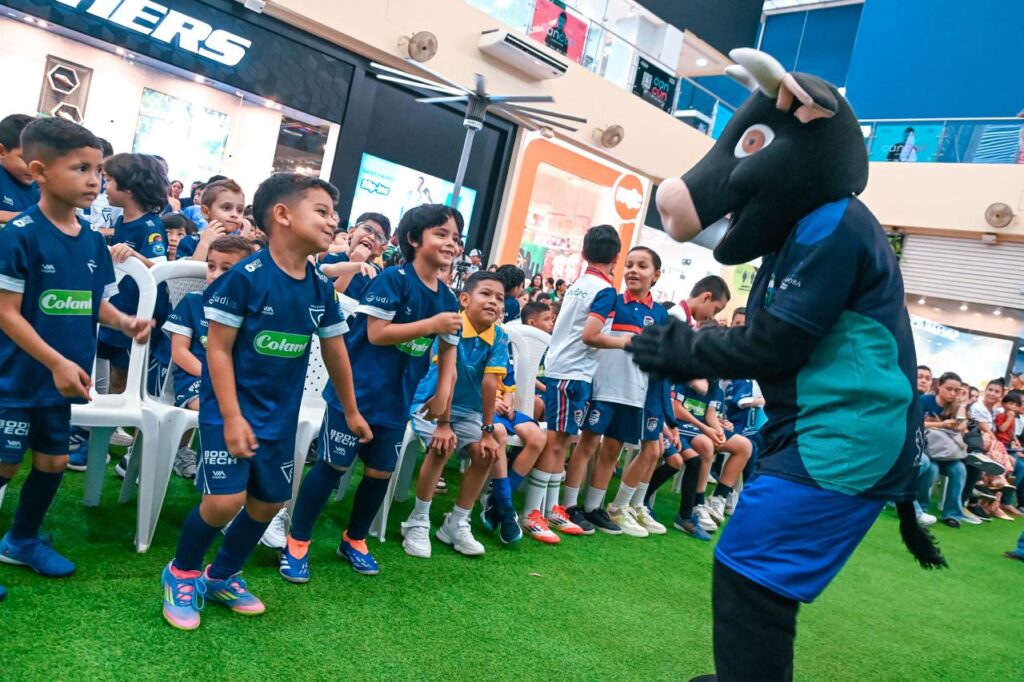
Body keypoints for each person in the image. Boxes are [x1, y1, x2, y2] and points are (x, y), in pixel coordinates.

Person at [160, 173, 369, 630]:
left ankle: (222, 575)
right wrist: (231, 417)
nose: (334, 221)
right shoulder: (244, 279)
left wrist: (351, 410)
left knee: (269, 503)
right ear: (283, 214)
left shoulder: (319, 287)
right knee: (223, 502)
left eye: (334, 214)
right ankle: (182, 573)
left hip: (279, 417)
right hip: (229, 411)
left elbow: (336, 351)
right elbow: (216, 350)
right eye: (322, 211)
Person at [0, 118, 150, 594]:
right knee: (4, 466)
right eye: (81, 168)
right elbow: (6, 313)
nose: (94, 180)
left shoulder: (92, 241)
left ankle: (21, 540)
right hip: (15, 380)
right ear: (40, 172)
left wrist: (123, 321)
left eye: (99, 170)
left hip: (62, 382)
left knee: (53, 462)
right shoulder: (18, 234)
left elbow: (92, 302)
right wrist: (56, 362)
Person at [282, 204, 462, 579]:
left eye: (456, 238)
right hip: (355, 394)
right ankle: (297, 541)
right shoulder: (393, 279)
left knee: (380, 473)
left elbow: (449, 351)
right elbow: (377, 334)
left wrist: (444, 394)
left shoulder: (447, 298)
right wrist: (431, 324)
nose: (451, 243)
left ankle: (355, 539)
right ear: (414, 239)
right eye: (441, 234)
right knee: (332, 467)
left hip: (396, 402)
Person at [401, 271, 510, 558]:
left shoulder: (500, 337)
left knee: (486, 453)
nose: (494, 302)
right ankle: (417, 520)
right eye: (485, 294)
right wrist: (444, 424)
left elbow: (490, 384)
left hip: (469, 412)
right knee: (443, 445)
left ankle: (456, 522)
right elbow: (447, 377)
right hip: (432, 402)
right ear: (464, 299)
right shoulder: (451, 326)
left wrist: (487, 431)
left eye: (500, 298)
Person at [527, 225, 625, 538]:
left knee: (564, 441)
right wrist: (626, 342)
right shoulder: (604, 290)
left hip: (567, 369)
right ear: (617, 257)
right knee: (557, 442)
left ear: (583, 253)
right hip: (573, 372)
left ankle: (551, 508)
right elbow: (590, 335)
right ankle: (532, 512)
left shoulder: (579, 284)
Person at [562, 246, 666, 536]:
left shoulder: (660, 314)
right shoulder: (612, 301)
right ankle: (570, 505)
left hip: (634, 393)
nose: (633, 270)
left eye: (642, 266)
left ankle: (594, 508)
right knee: (587, 444)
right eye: (629, 264)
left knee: (613, 451)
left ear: (656, 275)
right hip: (602, 387)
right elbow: (591, 336)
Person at [162, 236, 253, 480]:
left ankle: (230, 471)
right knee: (219, 409)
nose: (214, 274)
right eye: (211, 266)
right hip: (195, 380)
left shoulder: (251, 311)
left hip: (236, 384)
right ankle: (206, 467)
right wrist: (216, 378)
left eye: (226, 269)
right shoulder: (192, 302)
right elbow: (179, 353)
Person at [95, 154, 169, 399]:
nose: (104, 186)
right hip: (118, 308)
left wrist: (136, 256)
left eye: (109, 180)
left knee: (123, 378)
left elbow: (160, 269)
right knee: (108, 371)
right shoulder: (120, 221)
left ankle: (121, 419)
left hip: (137, 312)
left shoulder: (151, 226)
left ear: (128, 187)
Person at [317, 212, 391, 306]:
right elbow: (328, 298)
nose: (372, 237)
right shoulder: (332, 258)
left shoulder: (376, 272)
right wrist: (354, 263)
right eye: (368, 229)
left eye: (379, 237)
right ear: (352, 231)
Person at [188, 179, 245, 263]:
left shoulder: (244, 245)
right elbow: (188, 271)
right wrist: (204, 244)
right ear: (206, 212)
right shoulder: (190, 242)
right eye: (226, 208)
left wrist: (244, 242)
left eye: (240, 210)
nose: (235, 214)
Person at [0, 114, 39, 225]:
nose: (35, 167)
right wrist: (25, 217)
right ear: (1, 152)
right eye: (27, 158)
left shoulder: (39, 186)